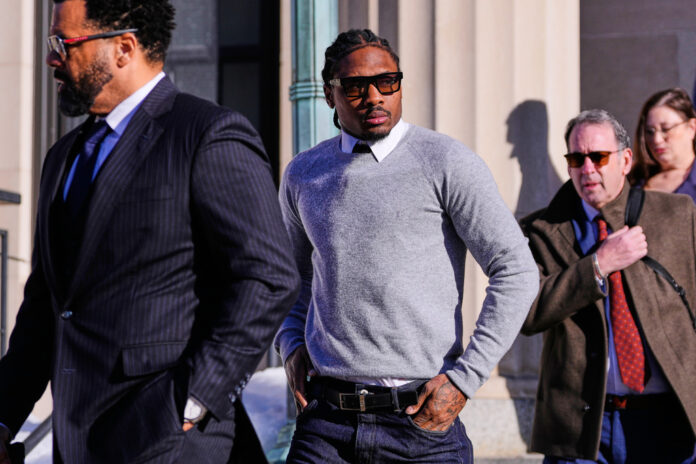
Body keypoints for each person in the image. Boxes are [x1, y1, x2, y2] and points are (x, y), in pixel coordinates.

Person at [0, 0, 300, 462]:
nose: (51, 58)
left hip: (171, 443)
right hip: (76, 445)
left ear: (124, 47)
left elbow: (268, 277)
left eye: (64, 43)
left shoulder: (206, 134)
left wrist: (195, 397)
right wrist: (4, 417)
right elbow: (47, 307)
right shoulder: (62, 158)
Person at [274, 29, 539, 464]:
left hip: (421, 424)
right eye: (355, 87)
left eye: (387, 82)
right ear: (329, 94)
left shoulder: (447, 162)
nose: (374, 97)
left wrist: (465, 379)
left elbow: (517, 270)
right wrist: (289, 344)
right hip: (325, 426)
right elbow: (290, 277)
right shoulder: (304, 173)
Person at [521, 109, 696, 463]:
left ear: (625, 160)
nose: (587, 169)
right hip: (582, 427)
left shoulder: (676, 215)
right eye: (576, 159)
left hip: (666, 420)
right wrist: (598, 266)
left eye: (598, 157)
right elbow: (527, 313)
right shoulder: (540, 231)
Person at [629, 88, 696, 200]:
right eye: (650, 132)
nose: (656, 140)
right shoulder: (632, 179)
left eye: (666, 129)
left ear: (691, 128)